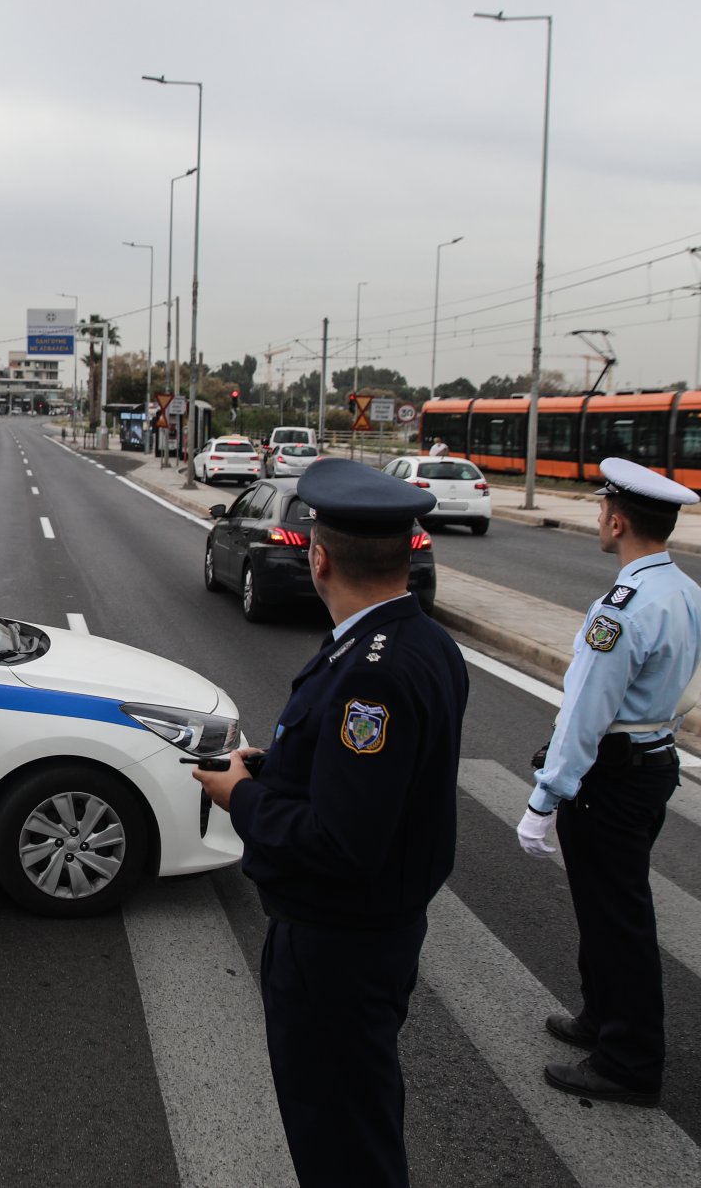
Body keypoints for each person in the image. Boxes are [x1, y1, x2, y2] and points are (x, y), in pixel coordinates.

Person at [195, 457, 467, 1188]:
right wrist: (275, 770)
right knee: (361, 1113)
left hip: (336, 947)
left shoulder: (368, 673)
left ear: (318, 556)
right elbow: (382, 785)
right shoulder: (424, 641)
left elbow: (342, 841)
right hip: (382, 929)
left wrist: (239, 797)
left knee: (339, 1138)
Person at [516, 457, 701, 1107]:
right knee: (607, 908)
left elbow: (583, 714)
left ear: (618, 520)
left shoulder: (621, 609)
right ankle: (601, 1016)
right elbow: (683, 691)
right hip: (654, 764)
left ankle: (629, 1059)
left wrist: (545, 797)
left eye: (602, 508)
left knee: (618, 917)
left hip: (612, 778)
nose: (599, 516)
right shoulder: (687, 592)